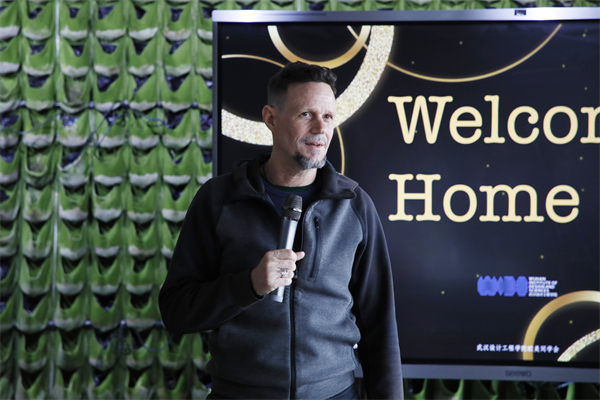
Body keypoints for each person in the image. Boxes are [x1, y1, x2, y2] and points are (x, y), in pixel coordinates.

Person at [159, 62, 403, 399]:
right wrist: (249, 285)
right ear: (271, 118)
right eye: (306, 114)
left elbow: (380, 325)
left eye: (328, 116)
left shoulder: (355, 205)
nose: (321, 128)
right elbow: (176, 312)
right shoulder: (219, 200)